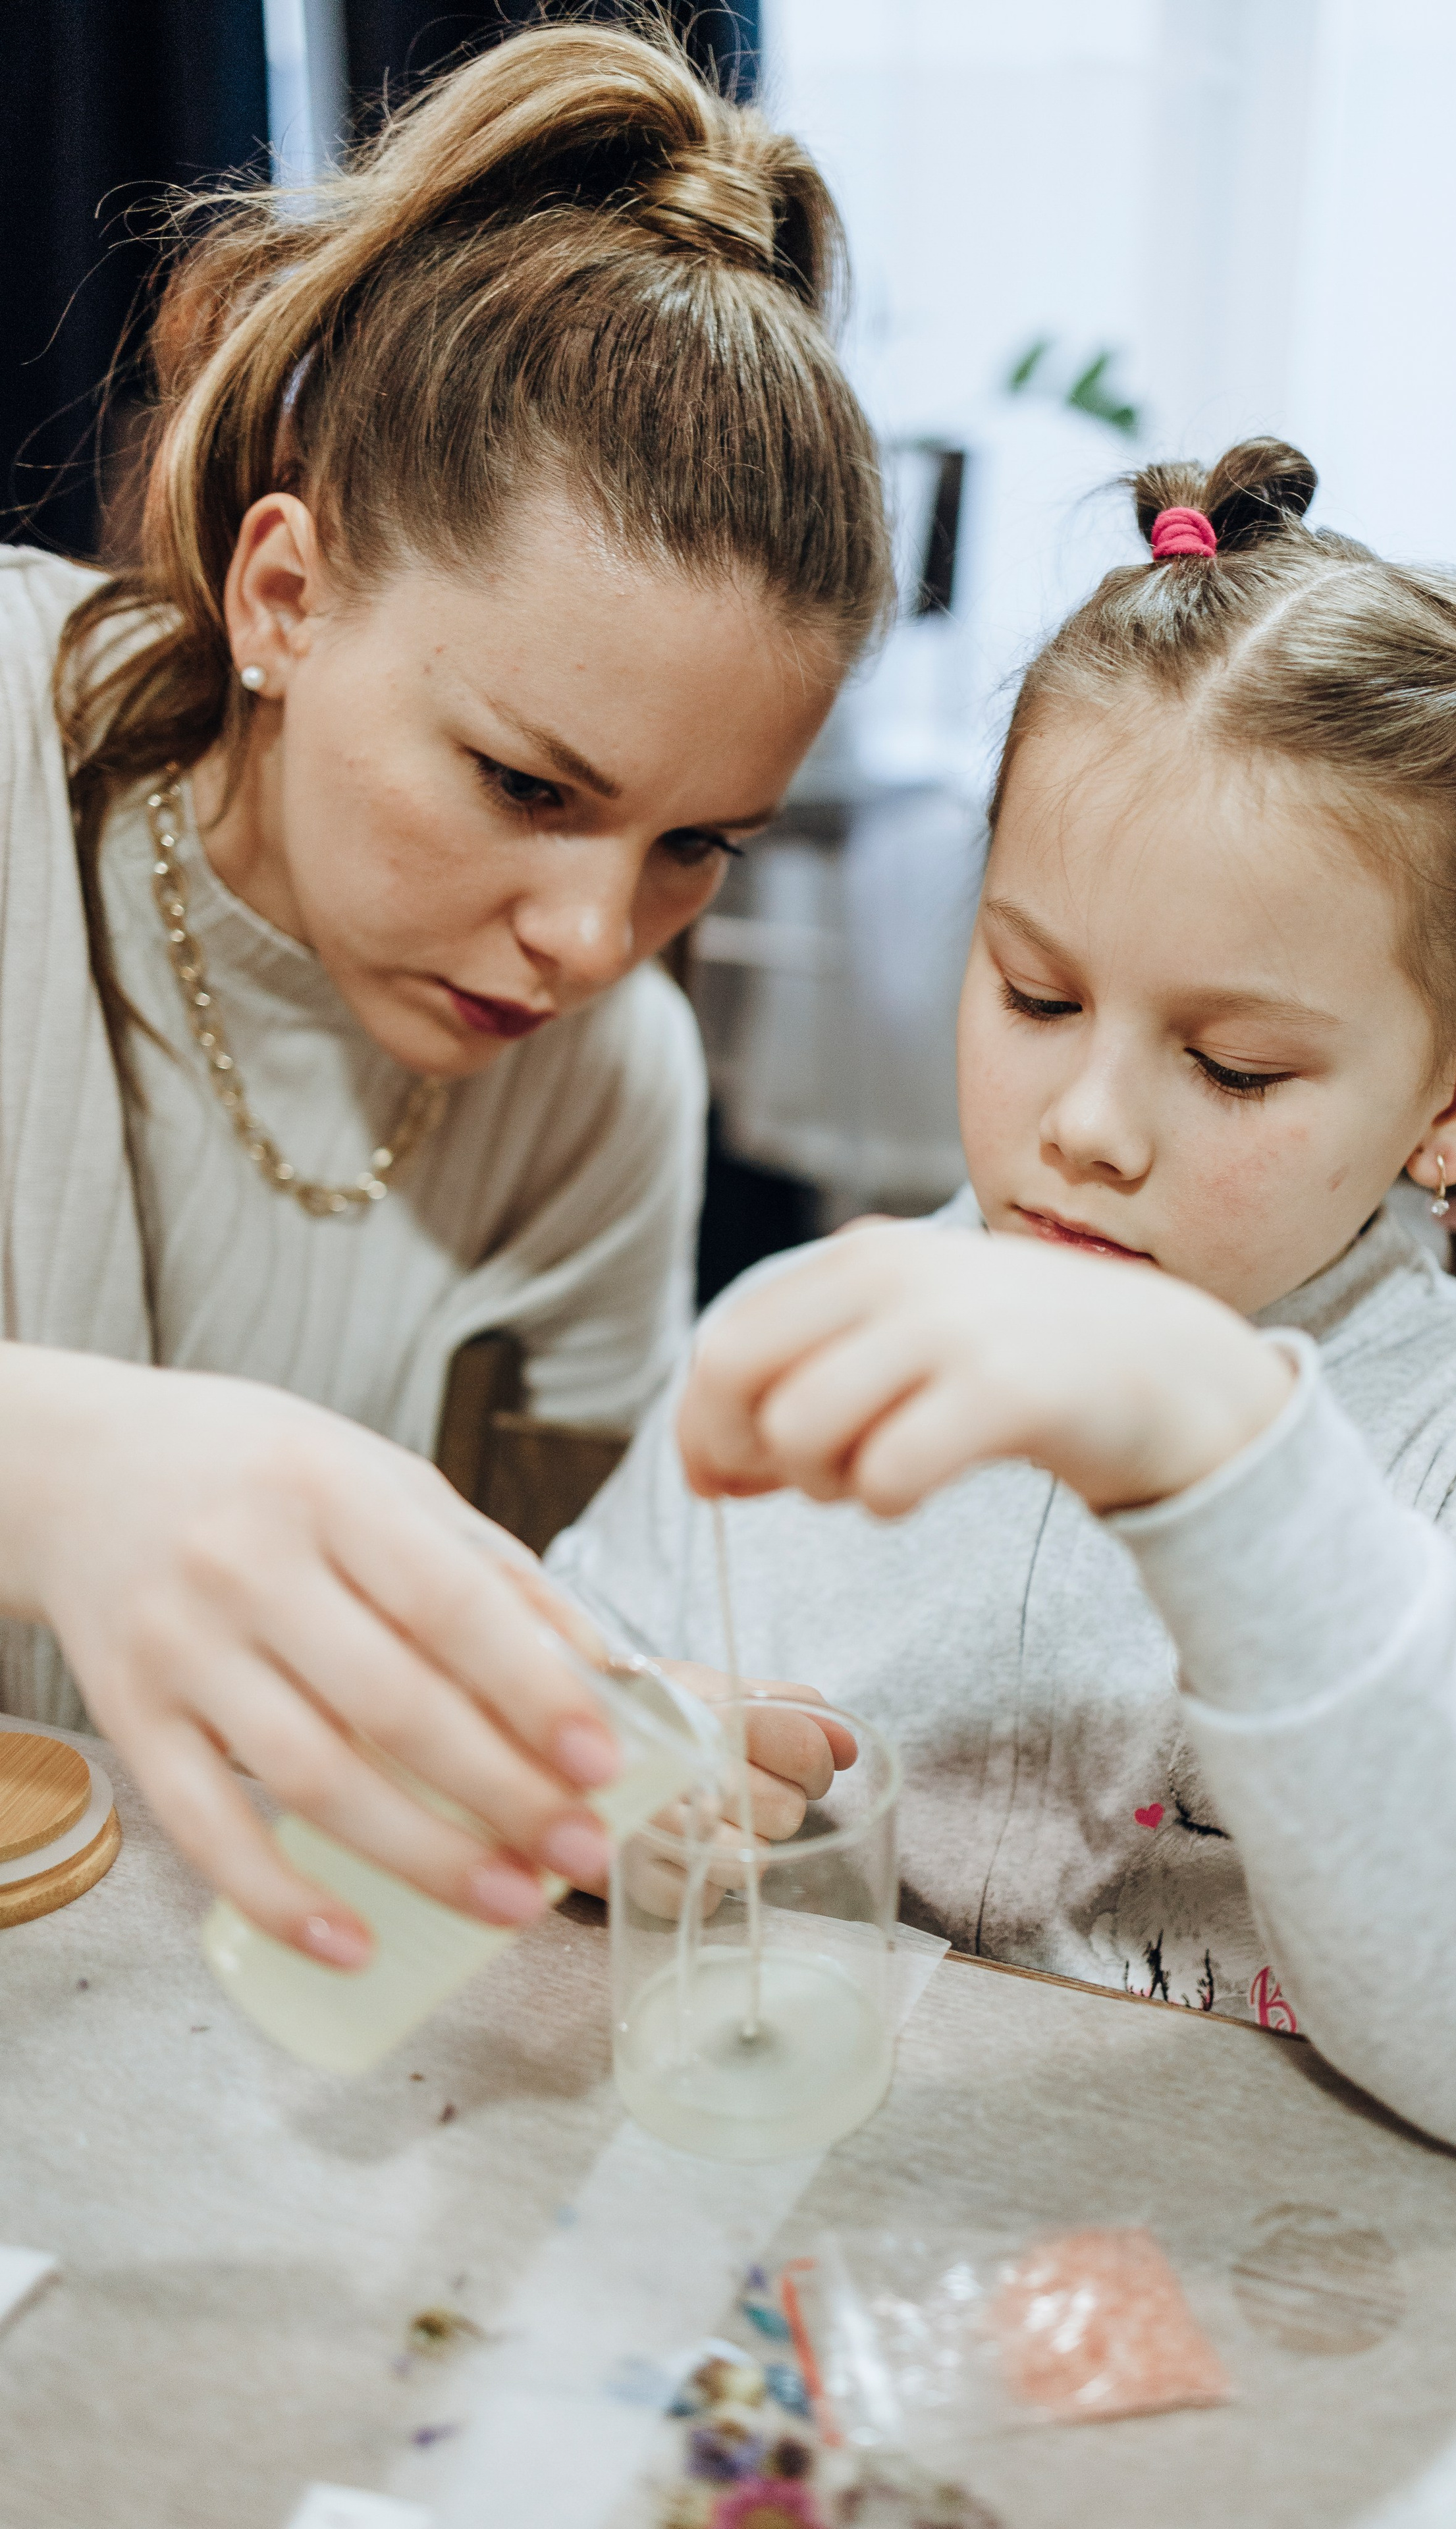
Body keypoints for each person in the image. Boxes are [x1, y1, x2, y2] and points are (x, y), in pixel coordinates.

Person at [549, 439, 1456, 2164]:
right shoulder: (806, 1334)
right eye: (1033, 993)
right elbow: (566, 1710)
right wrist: (616, 1783)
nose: (1085, 1126)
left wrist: (1226, 1458)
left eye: (1231, 1069)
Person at [0, 22, 889, 1967]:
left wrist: (569, 1756)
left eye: (694, 846)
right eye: (523, 786)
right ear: (284, 596)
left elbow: (466, 1667)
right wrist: (52, 1461)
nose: (590, 942)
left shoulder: (607, 1097)